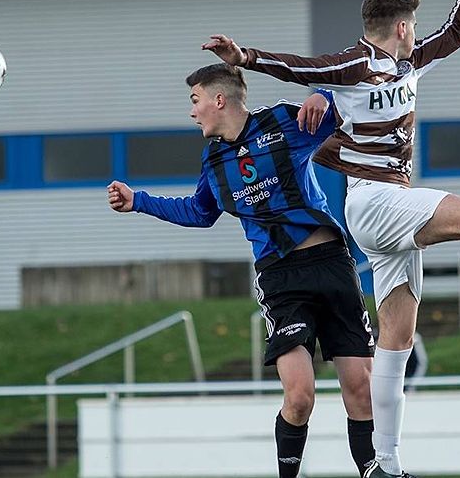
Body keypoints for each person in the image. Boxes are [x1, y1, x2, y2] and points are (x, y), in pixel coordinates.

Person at [204, 0, 460, 477]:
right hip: (373, 199)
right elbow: (300, 67)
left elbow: (457, 33)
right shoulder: (354, 63)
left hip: (385, 211)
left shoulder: (409, 62)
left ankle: (385, 463)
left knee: (396, 342)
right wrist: (245, 58)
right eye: (414, 25)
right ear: (402, 26)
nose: (417, 32)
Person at [108, 64, 376, 478]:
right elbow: (200, 212)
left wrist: (323, 95)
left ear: (219, 100)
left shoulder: (281, 121)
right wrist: (138, 201)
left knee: (361, 389)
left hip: (331, 264)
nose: (192, 112)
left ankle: (374, 470)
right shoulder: (214, 159)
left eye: (195, 100)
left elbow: (356, 106)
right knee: (300, 397)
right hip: (281, 279)